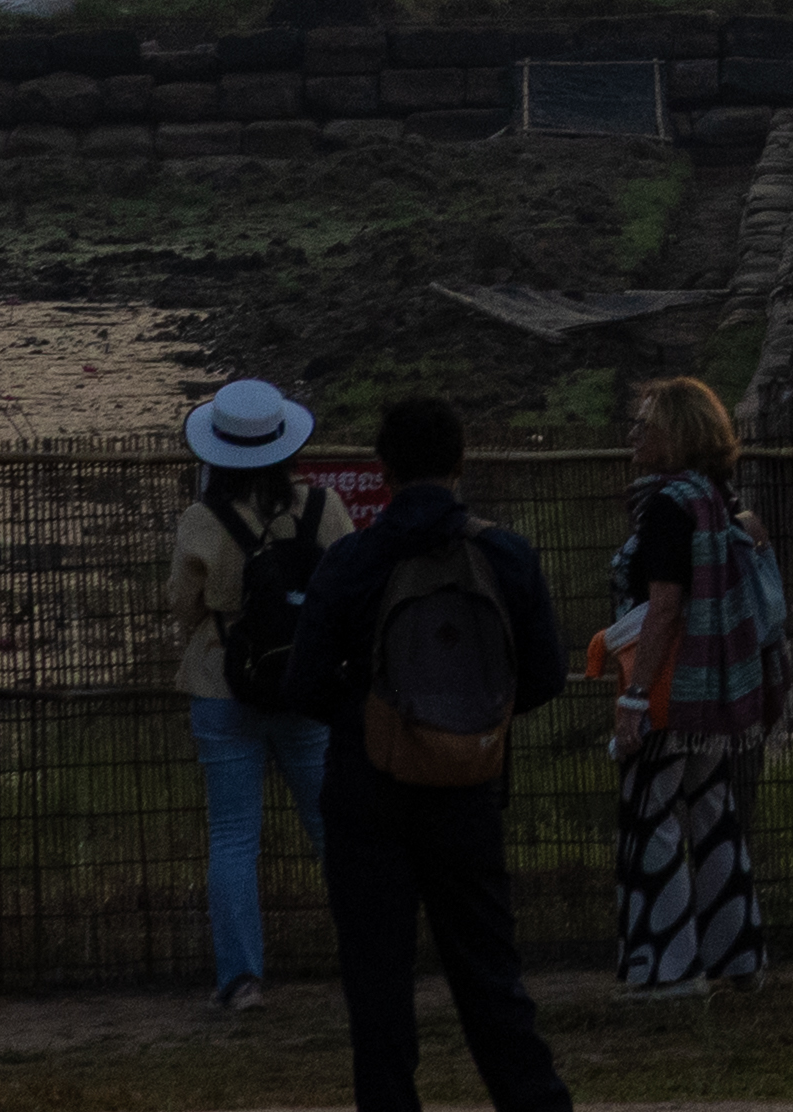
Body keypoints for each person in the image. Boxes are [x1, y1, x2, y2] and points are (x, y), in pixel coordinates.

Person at [301, 399, 572, 1112]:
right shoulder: (506, 555)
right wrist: (473, 720)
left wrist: (372, 716)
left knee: (378, 985)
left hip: (367, 787)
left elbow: (302, 683)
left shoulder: (351, 560)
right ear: (460, 463)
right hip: (468, 785)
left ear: (381, 472)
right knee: (489, 974)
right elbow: (544, 674)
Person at [600, 379, 780, 998]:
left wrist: (635, 695)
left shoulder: (668, 507)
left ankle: (667, 964)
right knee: (714, 813)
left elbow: (665, 604)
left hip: (674, 688)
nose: (633, 437)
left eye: (645, 425)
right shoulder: (718, 499)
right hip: (719, 690)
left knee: (651, 816)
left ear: (674, 434)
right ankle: (738, 954)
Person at [163, 385, 336, 1025]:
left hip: (222, 684)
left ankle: (242, 979)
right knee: (333, 828)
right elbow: (345, 586)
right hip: (308, 688)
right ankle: (368, 953)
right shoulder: (325, 508)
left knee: (234, 839)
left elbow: (183, 606)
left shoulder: (202, 522)